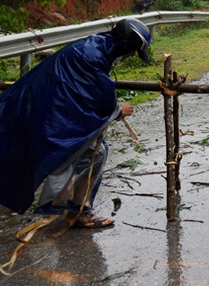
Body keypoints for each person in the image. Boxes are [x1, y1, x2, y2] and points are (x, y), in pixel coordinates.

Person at [0, 18, 151, 228]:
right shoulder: (93, 58)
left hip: (41, 101)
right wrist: (118, 111)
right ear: (125, 46)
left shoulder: (95, 46)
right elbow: (96, 100)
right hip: (47, 109)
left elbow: (88, 93)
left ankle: (75, 209)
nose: (130, 56)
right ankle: (78, 212)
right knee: (94, 154)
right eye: (132, 51)